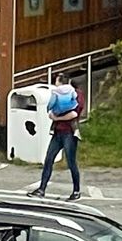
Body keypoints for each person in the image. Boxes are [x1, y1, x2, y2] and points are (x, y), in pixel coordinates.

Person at [30, 71, 82, 201]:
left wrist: (57, 118)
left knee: (71, 162)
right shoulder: (67, 94)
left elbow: (74, 114)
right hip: (59, 131)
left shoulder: (77, 95)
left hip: (69, 131)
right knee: (49, 159)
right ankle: (42, 188)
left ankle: (76, 190)